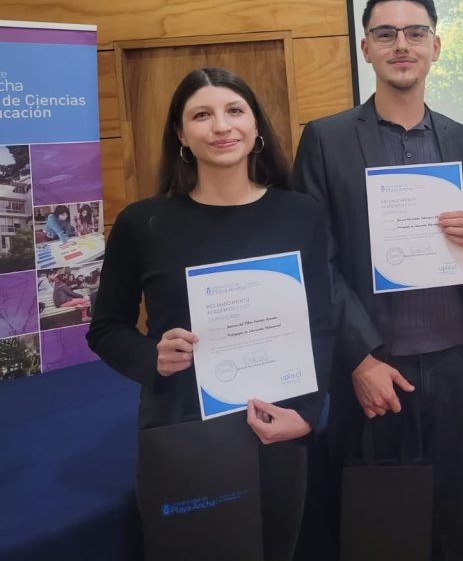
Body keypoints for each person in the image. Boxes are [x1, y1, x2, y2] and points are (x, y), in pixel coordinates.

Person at [87, 67, 332, 561]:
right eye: (202, 115)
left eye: (234, 111)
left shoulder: (301, 214)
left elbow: (321, 324)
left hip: (277, 428)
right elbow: (106, 328)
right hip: (182, 430)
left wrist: (306, 417)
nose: (221, 126)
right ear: (181, 134)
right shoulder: (143, 223)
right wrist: (150, 357)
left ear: (257, 127)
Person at [293, 0, 463, 560]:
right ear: (366, 48)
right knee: (381, 530)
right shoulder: (325, 141)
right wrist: (357, 357)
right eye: (386, 33)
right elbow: (316, 261)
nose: (401, 44)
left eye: (415, 32)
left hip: (461, 366)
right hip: (374, 369)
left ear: (436, 45)